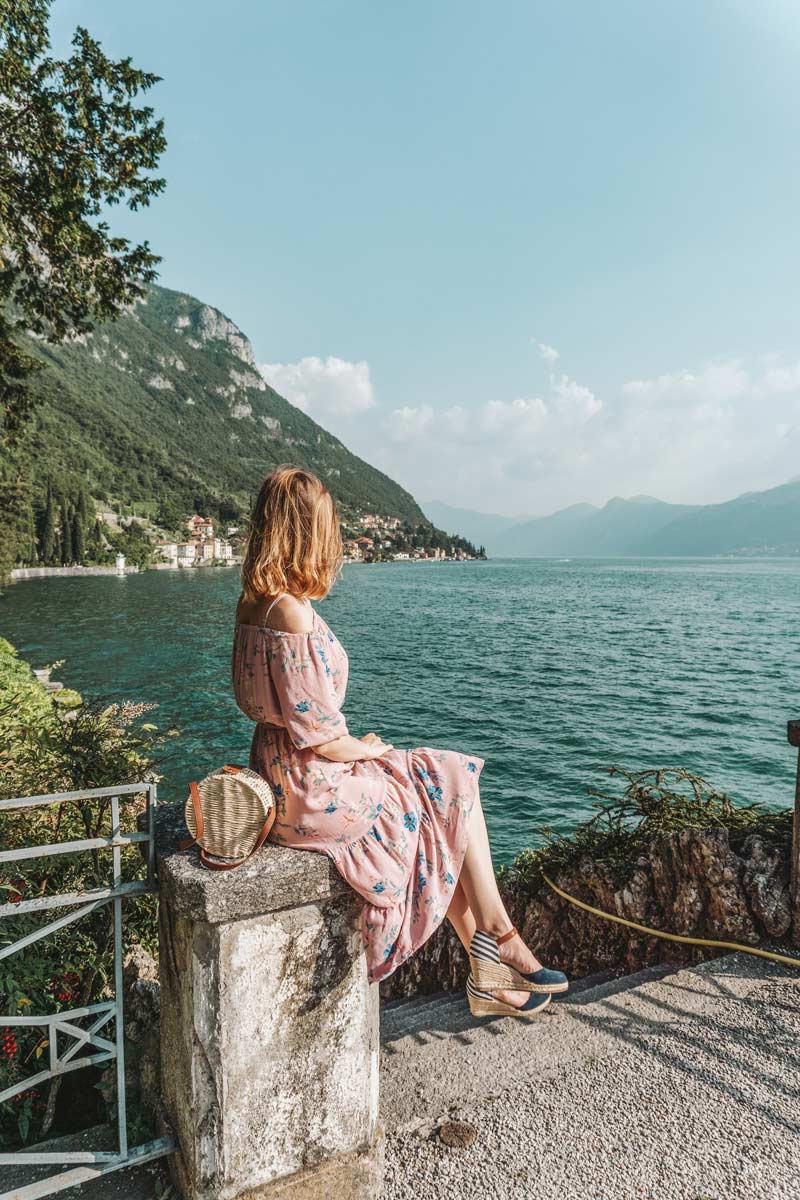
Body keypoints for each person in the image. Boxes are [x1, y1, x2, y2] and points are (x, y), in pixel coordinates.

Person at [231, 466, 568, 1017]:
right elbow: (320, 736)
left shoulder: (252, 605)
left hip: (277, 770)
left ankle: (492, 971)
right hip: (312, 785)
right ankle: (501, 937)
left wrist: (352, 747)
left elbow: (285, 713)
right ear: (306, 529)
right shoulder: (290, 611)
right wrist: (364, 748)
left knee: (441, 797)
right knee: (450, 779)